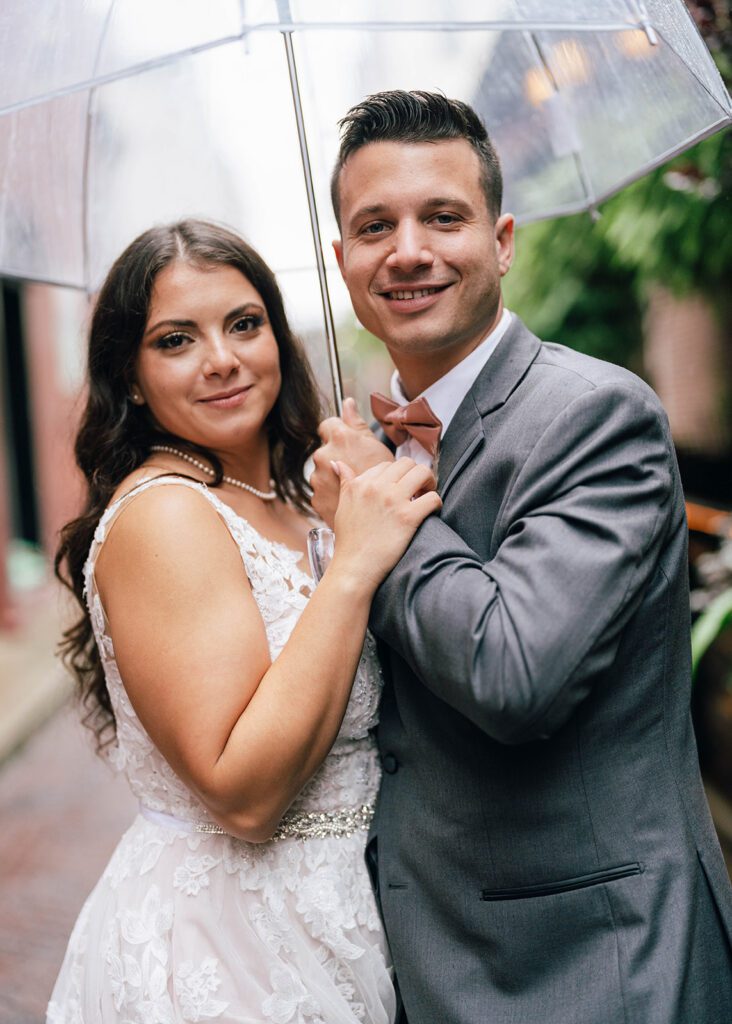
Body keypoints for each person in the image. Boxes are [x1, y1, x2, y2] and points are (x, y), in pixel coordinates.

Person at [311, 90, 732, 1023]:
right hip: (422, 954)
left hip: (593, 962)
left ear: (501, 241)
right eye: (375, 225)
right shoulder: (357, 445)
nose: (409, 249)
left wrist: (383, 510)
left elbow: (515, 672)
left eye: (443, 217)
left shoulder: (596, 417)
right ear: (342, 262)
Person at [48, 218, 441, 1023]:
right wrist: (356, 567)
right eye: (176, 340)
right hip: (232, 949)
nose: (222, 359)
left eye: (244, 324)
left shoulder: (301, 494)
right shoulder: (166, 516)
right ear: (129, 376)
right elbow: (244, 795)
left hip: (353, 917)